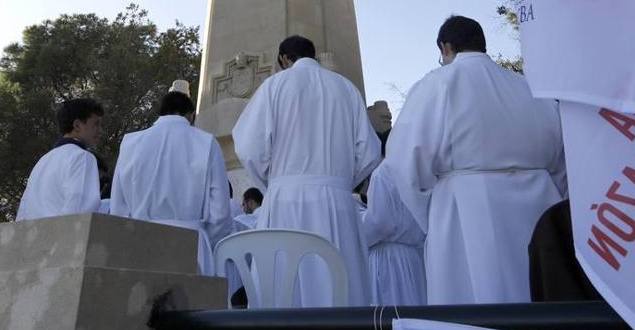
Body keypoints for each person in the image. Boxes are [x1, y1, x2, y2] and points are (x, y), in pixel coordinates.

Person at [384, 15, 566, 304]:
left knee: (479, 306)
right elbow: (560, 160)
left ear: (445, 48)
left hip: (468, 211)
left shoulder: (439, 82)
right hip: (540, 208)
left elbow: (405, 161)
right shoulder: (530, 88)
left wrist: (432, 214)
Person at [232, 35, 380, 306]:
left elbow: (248, 146)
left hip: (285, 203)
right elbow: (369, 151)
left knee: (283, 290)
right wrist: (342, 181)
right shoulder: (346, 89)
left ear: (284, 59)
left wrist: (274, 182)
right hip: (337, 206)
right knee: (340, 287)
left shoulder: (275, 85)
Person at [112, 91, 232, 275]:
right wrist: (209, 242)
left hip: (141, 241)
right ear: (192, 115)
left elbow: (118, 207)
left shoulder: (130, 143)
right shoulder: (206, 142)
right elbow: (220, 212)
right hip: (191, 243)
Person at [16, 98, 103, 221]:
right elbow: (79, 213)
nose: (100, 130)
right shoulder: (82, 157)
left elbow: (24, 209)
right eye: (96, 124)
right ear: (77, 125)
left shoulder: (43, 161)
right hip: (62, 237)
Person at [361, 166, 426, 306]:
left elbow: (379, 223)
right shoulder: (418, 171)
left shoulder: (383, 172)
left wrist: (356, 222)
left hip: (387, 259)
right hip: (413, 257)